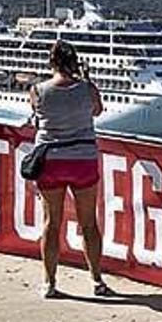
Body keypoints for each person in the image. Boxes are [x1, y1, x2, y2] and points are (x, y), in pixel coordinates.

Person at [29, 40, 111, 298]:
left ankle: (49, 283)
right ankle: (97, 281)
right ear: (75, 61)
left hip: (51, 160)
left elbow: (37, 116)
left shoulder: (38, 90)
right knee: (89, 223)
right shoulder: (88, 88)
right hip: (83, 160)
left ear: (51, 62)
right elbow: (97, 111)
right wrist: (86, 81)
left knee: (51, 223)